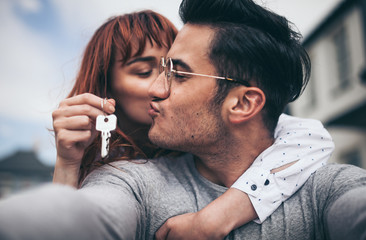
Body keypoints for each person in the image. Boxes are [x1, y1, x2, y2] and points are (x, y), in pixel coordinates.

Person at [0, 2, 360, 240]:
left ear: (243, 103)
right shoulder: (125, 179)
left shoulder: (318, 179)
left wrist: (214, 218)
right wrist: (67, 165)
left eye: (175, 70)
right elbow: (82, 217)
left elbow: (311, 138)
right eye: (146, 71)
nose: (158, 87)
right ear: (107, 93)